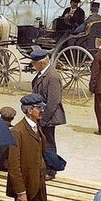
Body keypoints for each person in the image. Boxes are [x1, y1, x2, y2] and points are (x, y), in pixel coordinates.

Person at [6, 93, 49, 201]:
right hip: (25, 188)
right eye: (39, 108)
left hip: (38, 186)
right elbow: (13, 165)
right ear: (29, 110)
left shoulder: (36, 127)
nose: (42, 111)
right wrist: (20, 191)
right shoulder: (18, 131)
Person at [29, 48, 66, 178]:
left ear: (41, 63)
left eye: (34, 63)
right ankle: (43, 167)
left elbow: (53, 102)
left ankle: (51, 170)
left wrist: (42, 119)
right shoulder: (42, 74)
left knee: (49, 143)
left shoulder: (53, 76)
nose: (33, 66)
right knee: (42, 142)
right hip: (40, 115)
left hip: (48, 117)